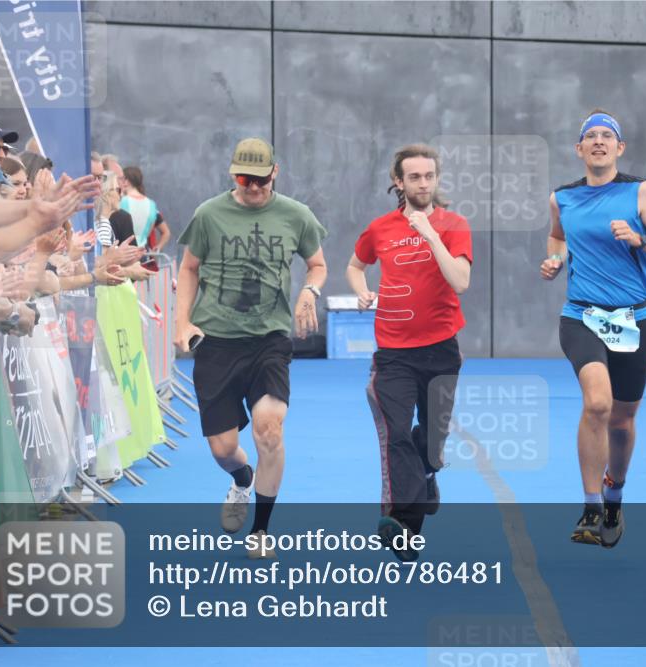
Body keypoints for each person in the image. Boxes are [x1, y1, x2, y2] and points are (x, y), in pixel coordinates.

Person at [174, 138, 327, 559]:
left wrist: (309, 292)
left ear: (275, 173)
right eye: (244, 179)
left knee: (269, 431)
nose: (254, 187)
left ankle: (261, 531)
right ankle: (242, 479)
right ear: (232, 175)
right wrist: (181, 321)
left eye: (261, 179)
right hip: (217, 341)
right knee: (223, 449)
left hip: (269, 340)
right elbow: (189, 269)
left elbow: (318, 263)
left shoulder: (296, 215)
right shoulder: (209, 214)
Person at [541, 109, 646, 548]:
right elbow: (558, 236)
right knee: (598, 404)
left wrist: (640, 239)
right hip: (581, 315)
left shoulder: (640, 192)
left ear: (619, 148)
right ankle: (590, 507)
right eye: (591, 136)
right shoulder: (561, 198)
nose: (599, 141)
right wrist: (555, 259)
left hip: (632, 320)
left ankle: (614, 494)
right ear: (579, 149)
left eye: (608, 136)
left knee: (622, 421)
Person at [345, 143, 471, 562]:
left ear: (436, 179)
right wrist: (362, 291)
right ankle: (403, 526)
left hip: (441, 352)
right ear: (399, 182)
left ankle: (429, 469)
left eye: (429, 176)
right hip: (393, 353)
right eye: (414, 177)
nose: (422, 183)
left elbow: (461, 281)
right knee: (395, 434)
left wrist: (430, 233)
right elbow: (355, 264)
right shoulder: (379, 228)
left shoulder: (454, 225)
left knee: (432, 441)